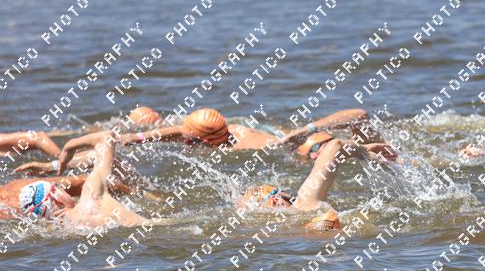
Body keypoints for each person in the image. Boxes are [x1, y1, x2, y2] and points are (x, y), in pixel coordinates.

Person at [237, 134, 398, 231]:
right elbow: (336, 145)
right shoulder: (305, 203)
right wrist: (364, 149)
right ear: (281, 197)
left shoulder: (265, 234)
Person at [0, 132, 145, 227]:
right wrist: (69, 148)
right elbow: (107, 138)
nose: (62, 188)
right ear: (57, 198)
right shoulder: (92, 198)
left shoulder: (65, 228)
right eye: (59, 187)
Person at [119, 107, 382, 157]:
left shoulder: (252, 148)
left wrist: (306, 130)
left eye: (190, 141)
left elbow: (359, 114)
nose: (184, 143)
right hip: (308, 143)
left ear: (207, 140)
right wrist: (134, 139)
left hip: (310, 146)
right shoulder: (226, 130)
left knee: (373, 154)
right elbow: (178, 131)